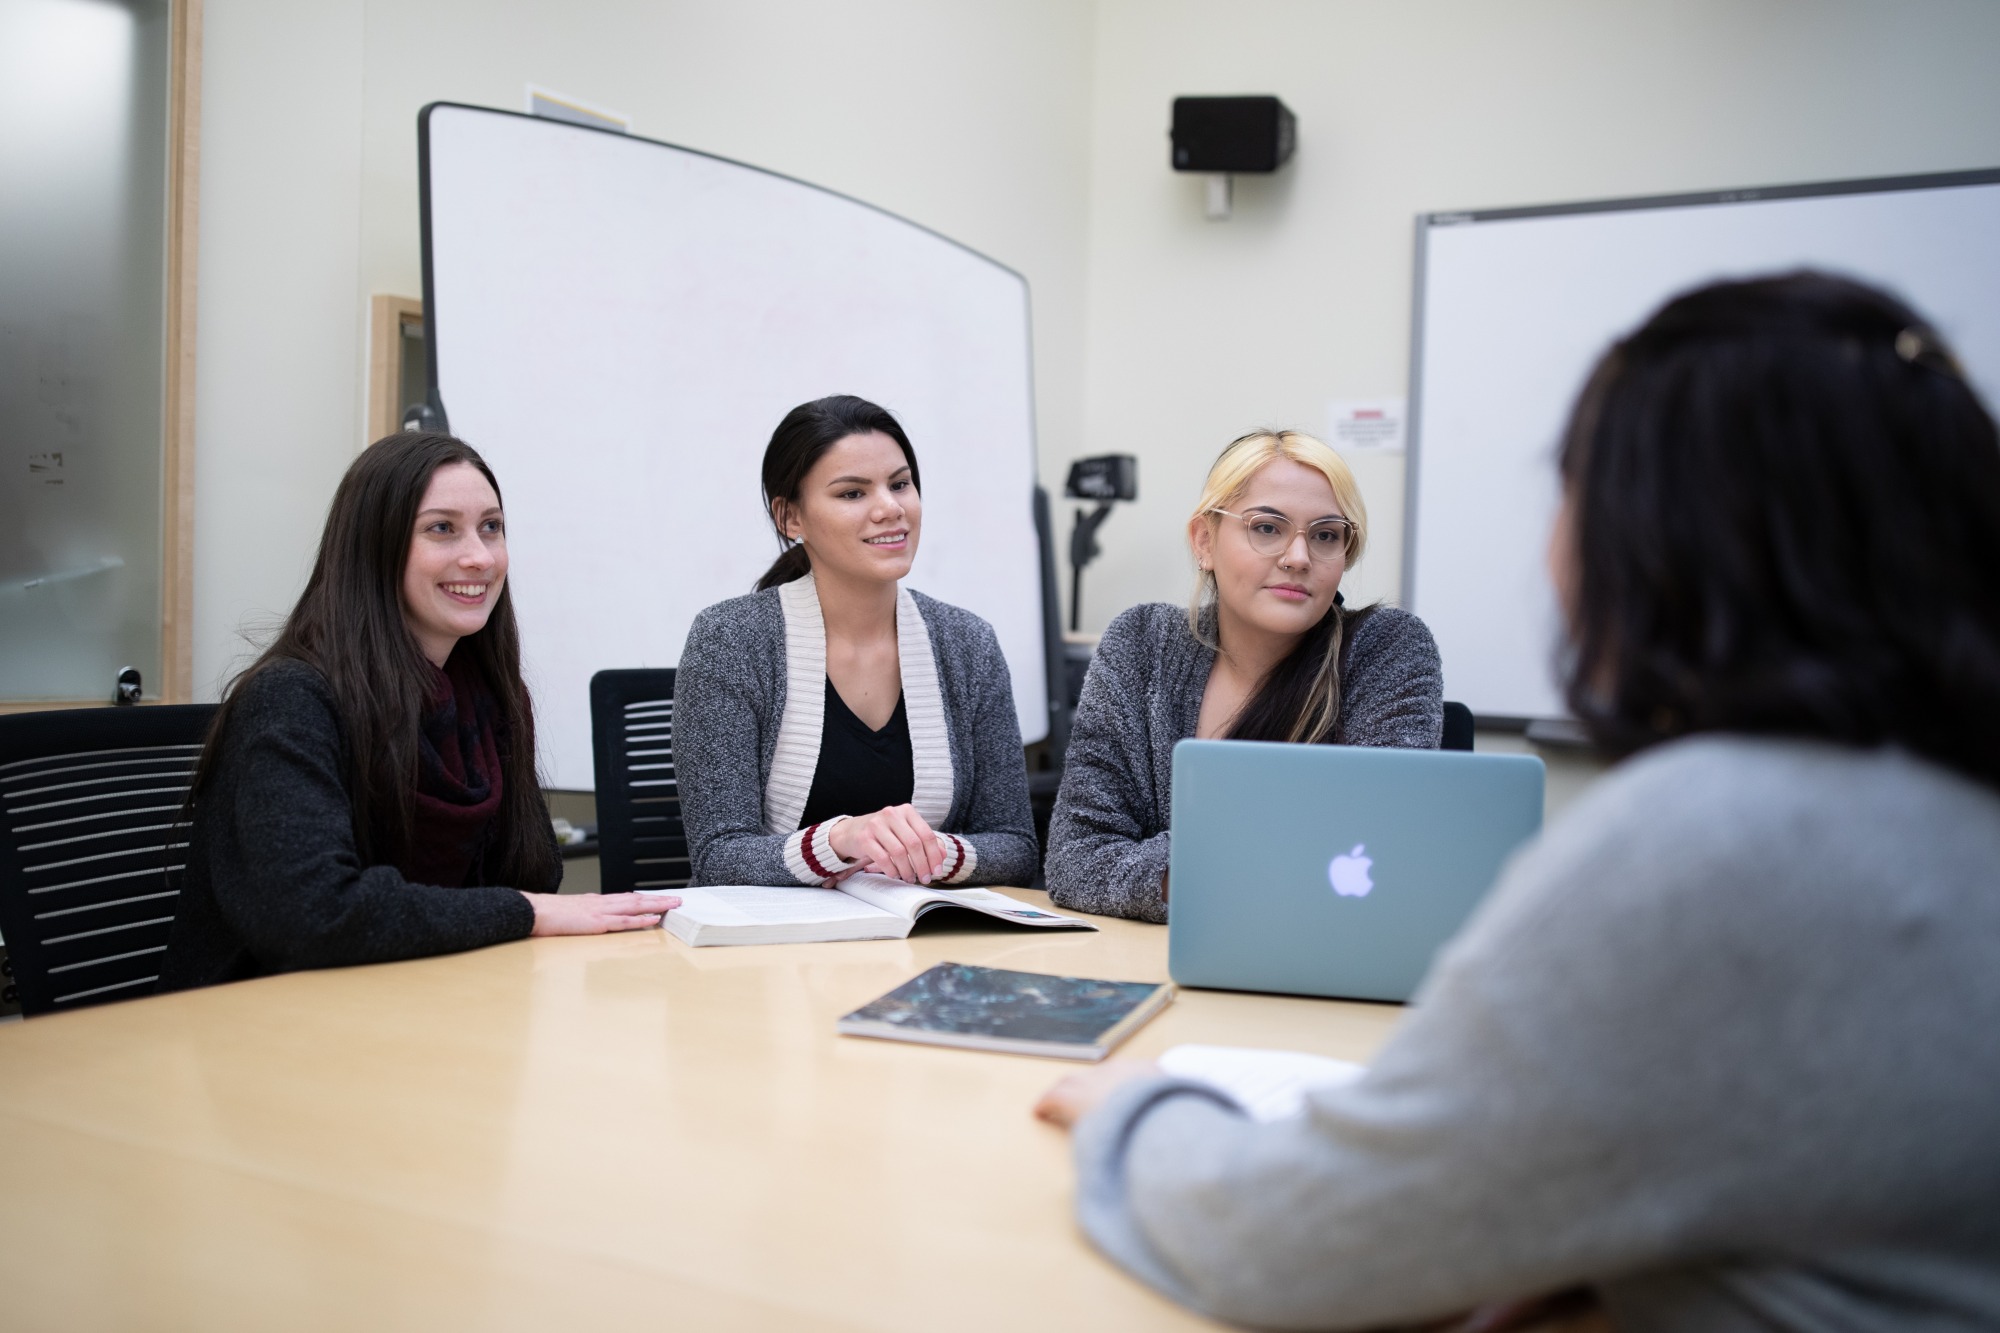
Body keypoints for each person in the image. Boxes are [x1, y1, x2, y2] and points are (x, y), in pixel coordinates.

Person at [1034, 274, 2000, 1331]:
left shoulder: (1701, 842)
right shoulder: (1943, 806)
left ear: (1661, 541)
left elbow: (1300, 1242)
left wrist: (1141, 1110)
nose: (1551, 547)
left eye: (1572, 490)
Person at [159, 434, 674, 992]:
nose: (479, 556)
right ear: (373, 547)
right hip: (260, 1029)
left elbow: (533, 873)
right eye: (441, 528)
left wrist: (526, 908)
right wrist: (525, 912)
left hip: (424, 1004)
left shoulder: (491, 699)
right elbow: (314, 917)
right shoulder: (292, 699)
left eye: (491, 527)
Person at [1044, 429, 1442, 922]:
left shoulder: (1386, 648)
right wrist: (1273, 851)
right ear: (1204, 541)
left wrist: (1188, 864)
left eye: (1325, 535)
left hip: (1316, 964)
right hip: (1151, 964)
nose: (1299, 557)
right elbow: (1074, 862)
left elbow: (1383, 846)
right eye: (1267, 527)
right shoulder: (1142, 643)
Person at [674, 395, 1038, 888]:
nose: (890, 508)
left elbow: (1016, 847)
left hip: (921, 938)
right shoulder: (731, 641)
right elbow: (718, 855)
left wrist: (926, 852)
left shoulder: (968, 644)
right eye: (852, 493)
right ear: (790, 518)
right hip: (771, 953)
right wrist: (844, 840)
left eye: (900, 484)